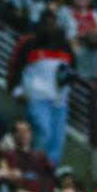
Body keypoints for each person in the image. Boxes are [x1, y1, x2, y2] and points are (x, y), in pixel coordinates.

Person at [7, 11, 76, 164]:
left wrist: (67, 88)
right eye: (47, 21)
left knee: (57, 139)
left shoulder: (65, 45)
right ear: (41, 22)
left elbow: (72, 70)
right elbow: (14, 65)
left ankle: (50, 173)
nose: (50, 25)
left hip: (60, 100)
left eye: (53, 21)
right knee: (43, 132)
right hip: (37, 97)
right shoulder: (29, 43)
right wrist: (15, 89)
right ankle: (35, 167)